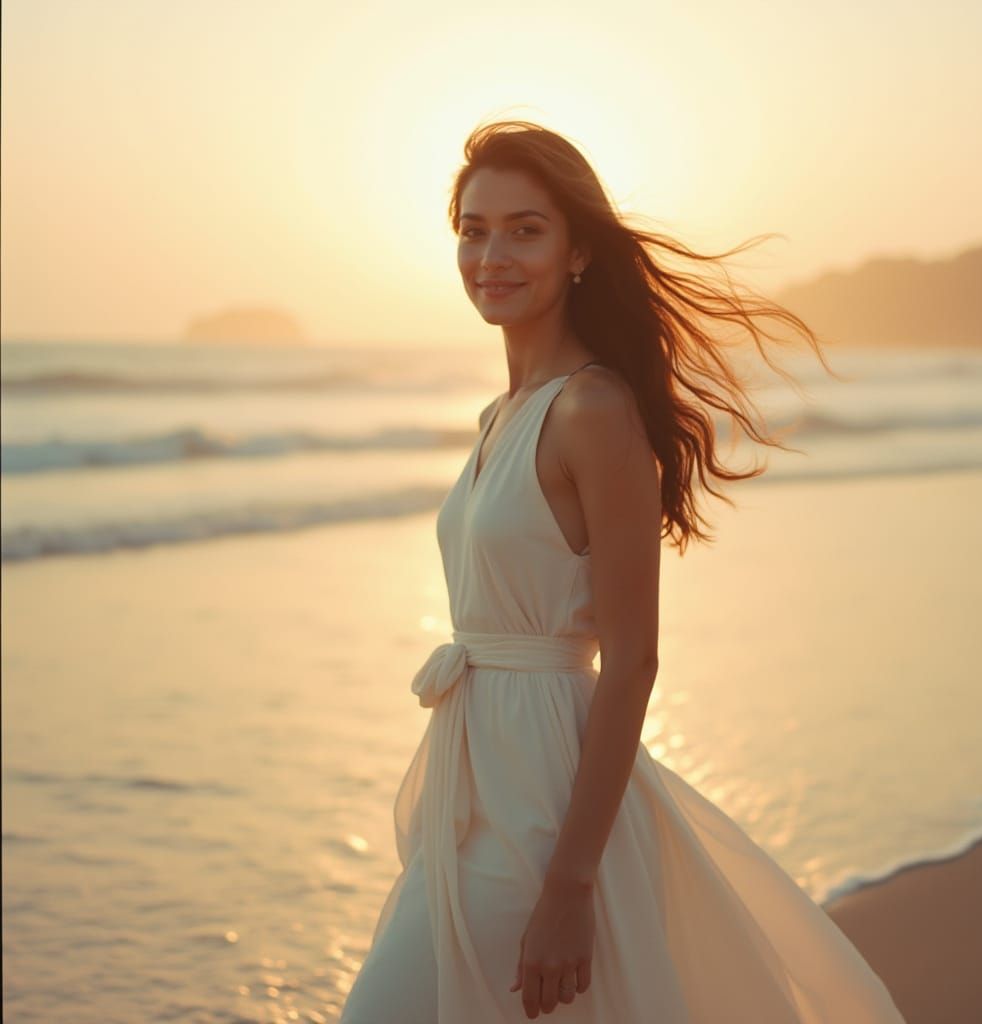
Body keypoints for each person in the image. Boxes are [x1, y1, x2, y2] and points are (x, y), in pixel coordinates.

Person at [339, 120, 906, 1023]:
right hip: (474, 774)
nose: (492, 253)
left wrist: (569, 885)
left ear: (576, 253)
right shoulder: (500, 412)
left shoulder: (592, 410)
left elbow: (633, 660)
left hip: (543, 794)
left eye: (526, 229)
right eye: (474, 228)